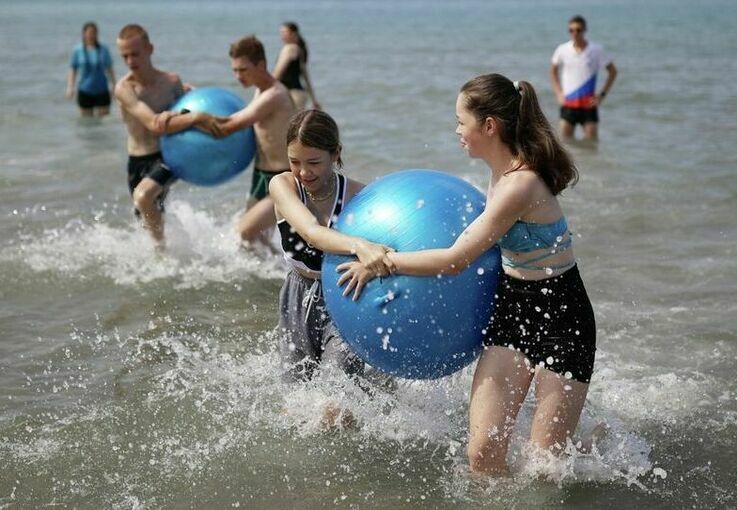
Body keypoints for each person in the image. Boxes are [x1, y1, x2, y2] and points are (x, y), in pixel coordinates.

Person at [338, 74, 597, 473]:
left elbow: (456, 259)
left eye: (462, 121)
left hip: (563, 317)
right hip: (513, 308)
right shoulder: (498, 176)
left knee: (544, 465)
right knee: (482, 453)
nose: (456, 130)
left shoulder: (520, 184)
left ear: (489, 126)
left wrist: (383, 262)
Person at [269, 109, 393, 426]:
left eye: (313, 163)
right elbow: (311, 232)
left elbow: (392, 250)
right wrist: (358, 245)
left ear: (335, 154)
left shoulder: (360, 197)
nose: (303, 172)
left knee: (333, 403)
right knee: (296, 407)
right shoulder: (282, 186)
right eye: (295, 161)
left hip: (345, 297)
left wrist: (372, 261)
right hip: (296, 299)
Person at [113, 24, 219, 246]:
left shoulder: (171, 82)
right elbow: (153, 123)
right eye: (125, 56)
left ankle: (161, 255)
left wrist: (192, 107)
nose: (131, 61)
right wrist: (196, 117)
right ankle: (172, 247)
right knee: (147, 215)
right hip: (137, 160)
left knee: (143, 197)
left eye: (135, 54)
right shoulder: (125, 89)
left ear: (150, 49)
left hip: (168, 156)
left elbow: (185, 114)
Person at [202, 35, 296, 247]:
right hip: (260, 176)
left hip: (281, 179)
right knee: (256, 242)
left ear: (261, 65)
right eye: (234, 70)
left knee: (243, 233)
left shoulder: (275, 95)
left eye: (243, 69)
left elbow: (228, 127)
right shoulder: (260, 90)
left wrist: (194, 117)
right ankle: (279, 277)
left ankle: (287, 275)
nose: (237, 76)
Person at [549, 15, 617, 140]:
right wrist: (558, 93)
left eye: (578, 30)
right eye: (571, 30)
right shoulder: (562, 49)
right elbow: (553, 70)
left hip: (588, 105)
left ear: (585, 30)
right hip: (568, 104)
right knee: (565, 144)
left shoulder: (596, 50)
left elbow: (612, 72)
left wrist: (601, 95)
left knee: (591, 145)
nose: (575, 33)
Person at [66, 22, 116, 117]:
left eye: (94, 32)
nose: (91, 35)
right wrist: (70, 87)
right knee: (86, 122)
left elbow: (110, 68)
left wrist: (114, 85)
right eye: (89, 32)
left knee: (104, 120)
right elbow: (73, 69)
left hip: (102, 89)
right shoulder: (78, 50)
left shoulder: (103, 49)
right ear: (84, 33)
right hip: (85, 90)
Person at [273, 22, 321, 111]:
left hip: (290, 94)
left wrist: (264, 89)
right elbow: (306, 77)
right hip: (299, 95)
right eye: (281, 33)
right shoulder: (300, 50)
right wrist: (314, 99)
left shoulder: (290, 48)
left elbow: (278, 73)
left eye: (284, 32)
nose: (281, 36)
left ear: (293, 33)